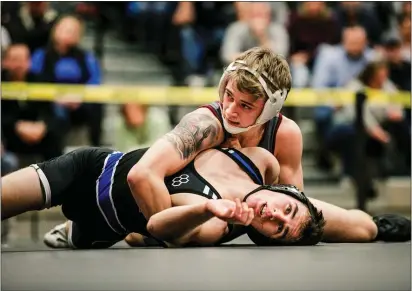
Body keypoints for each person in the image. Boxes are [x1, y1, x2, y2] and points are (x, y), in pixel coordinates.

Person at [125, 46, 386, 242]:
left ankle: (384, 226)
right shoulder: (204, 125)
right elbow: (143, 174)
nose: (230, 110)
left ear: (268, 111)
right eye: (228, 95)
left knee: (364, 229)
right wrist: (166, 237)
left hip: (250, 212)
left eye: (245, 105)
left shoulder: (284, 134)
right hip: (195, 214)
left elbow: (292, 202)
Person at [2, 146, 327, 249]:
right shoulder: (260, 160)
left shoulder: (216, 226)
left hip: (106, 225)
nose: (276, 216)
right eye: (286, 209)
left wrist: (207, 207)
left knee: (148, 235)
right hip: (93, 169)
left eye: (280, 229)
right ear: (284, 190)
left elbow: (159, 224)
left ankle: (74, 231)